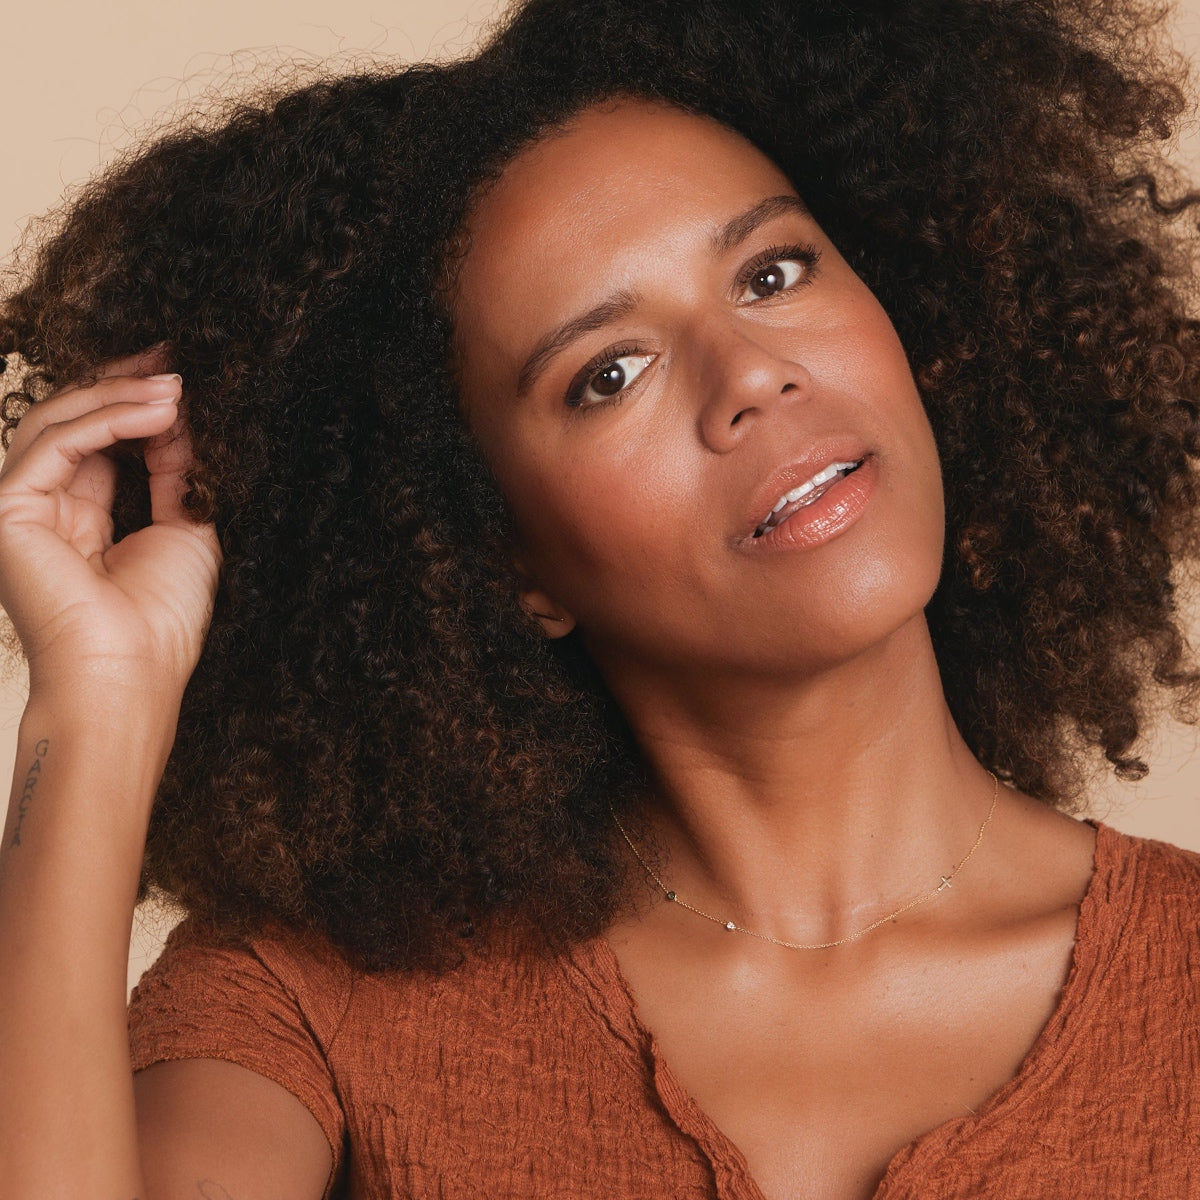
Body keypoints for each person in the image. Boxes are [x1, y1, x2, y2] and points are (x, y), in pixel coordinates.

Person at [1, 0, 1199, 1196]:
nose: (752, 376)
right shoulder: (317, 1008)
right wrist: (94, 705)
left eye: (773, 271)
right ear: (506, 560)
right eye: (607, 374)